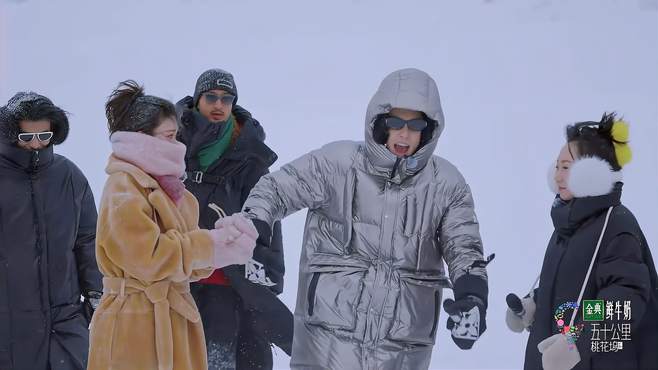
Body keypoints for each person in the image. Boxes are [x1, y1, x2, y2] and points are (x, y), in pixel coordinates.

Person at [242, 68, 491, 369]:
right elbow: (276, 189)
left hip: (401, 350)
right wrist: (254, 224)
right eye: (395, 122)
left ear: (429, 129)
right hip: (326, 344)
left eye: (415, 125)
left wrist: (473, 297)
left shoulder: (447, 184)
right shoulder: (337, 164)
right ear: (380, 122)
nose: (404, 133)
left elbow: (464, 247)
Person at [87, 80, 257, 370]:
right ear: (142, 138)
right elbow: (147, 259)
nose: (178, 145)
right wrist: (209, 246)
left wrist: (222, 248)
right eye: (169, 136)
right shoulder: (124, 186)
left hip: (173, 319)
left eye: (177, 136)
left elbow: (184, 259)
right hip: (134, 324)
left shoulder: (172, 190)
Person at [506, 113, 658, 370]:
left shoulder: (617, 227)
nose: (557, 176)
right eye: (556, 166)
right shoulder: (570, 225)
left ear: (593, 171)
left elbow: (623, 311)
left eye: (566, 167)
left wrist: (577, 344)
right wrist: (536, 305)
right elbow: (580, 296)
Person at [176, 68, 290, 369]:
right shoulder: (171, 147)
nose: (218, 104)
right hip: (178, 281)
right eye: (211, 96)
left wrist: (268, 276)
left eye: (226, 99)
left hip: (230, 288)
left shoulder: (250, 158)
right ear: (197, 100)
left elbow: (268, 222)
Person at [0, 92, 102, 370]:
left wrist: (97, 296)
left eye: (44, 135)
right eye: (26, 137)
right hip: (8, 328)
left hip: (64, 325)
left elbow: (88, 240)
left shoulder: (69, 176)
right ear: (11, 133)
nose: (36, 144)